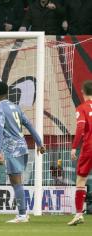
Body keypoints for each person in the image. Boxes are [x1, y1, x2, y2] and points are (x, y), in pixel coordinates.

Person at [0, 81, 45, 223]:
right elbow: (28, 124)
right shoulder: (15, 107)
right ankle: (22, 213)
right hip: (23, 147)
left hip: (12, 149)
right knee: (17, 181)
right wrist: (39, 143)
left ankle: (22, 215)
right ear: (7, 92)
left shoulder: (0, 108)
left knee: (16, 182)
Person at [68, 80, 92, 226]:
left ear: (82, 92)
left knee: (81, 180)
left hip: (89, 147)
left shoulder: (82, 108)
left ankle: (78, 214)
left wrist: (74, 147)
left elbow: (80, 128)